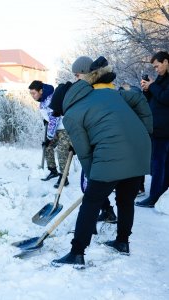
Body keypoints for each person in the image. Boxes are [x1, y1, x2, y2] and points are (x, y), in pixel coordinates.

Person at [51, 56, 152, 267]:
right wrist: (146, 129)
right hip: (139, 149)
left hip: (112, 153)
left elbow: (85, 152)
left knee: (91, 202)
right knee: (125, 200)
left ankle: (76, 252)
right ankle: (122, 242)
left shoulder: (71, 114)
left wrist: (92, 177)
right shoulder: (106, 93)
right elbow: (138, 98)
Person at [136, 51, 169, 208]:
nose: (156, 70)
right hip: (158, 128)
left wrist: (153, 86)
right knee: (161, 163)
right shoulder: (161, 79)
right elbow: (155, 99)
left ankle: (154, 197)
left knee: (158, 163)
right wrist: (146, 89)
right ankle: (160, 194)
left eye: (157, 66)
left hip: (165, 130)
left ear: (166, 62)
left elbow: (165, 98)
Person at [29, 80, 71, 188]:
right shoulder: (44, 100)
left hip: (65, 128)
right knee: (47, 146)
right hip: (57, 128)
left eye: (34, 93)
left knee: (62, 150)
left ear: (41, 91)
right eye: (31, 94)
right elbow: (50, 117)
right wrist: (46, 119)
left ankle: (63, 177)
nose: (32, 96)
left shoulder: (50, 99)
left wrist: (49, 136)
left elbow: (54, 118)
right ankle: (53, 171)